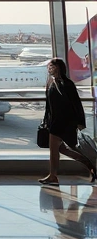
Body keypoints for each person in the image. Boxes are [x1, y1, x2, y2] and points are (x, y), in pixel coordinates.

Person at [39, 58, 95, 186]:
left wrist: (80, 122)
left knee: (54, 150)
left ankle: (53, 176)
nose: (49, 69)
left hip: (64, 122)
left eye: (51, 66)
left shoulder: (66, 84)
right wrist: (47, 120)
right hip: (56, 121)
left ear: (58, 68)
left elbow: (76, 104)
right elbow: (50, 105)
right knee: (63, 149)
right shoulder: (52, 83)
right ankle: (89, 164)